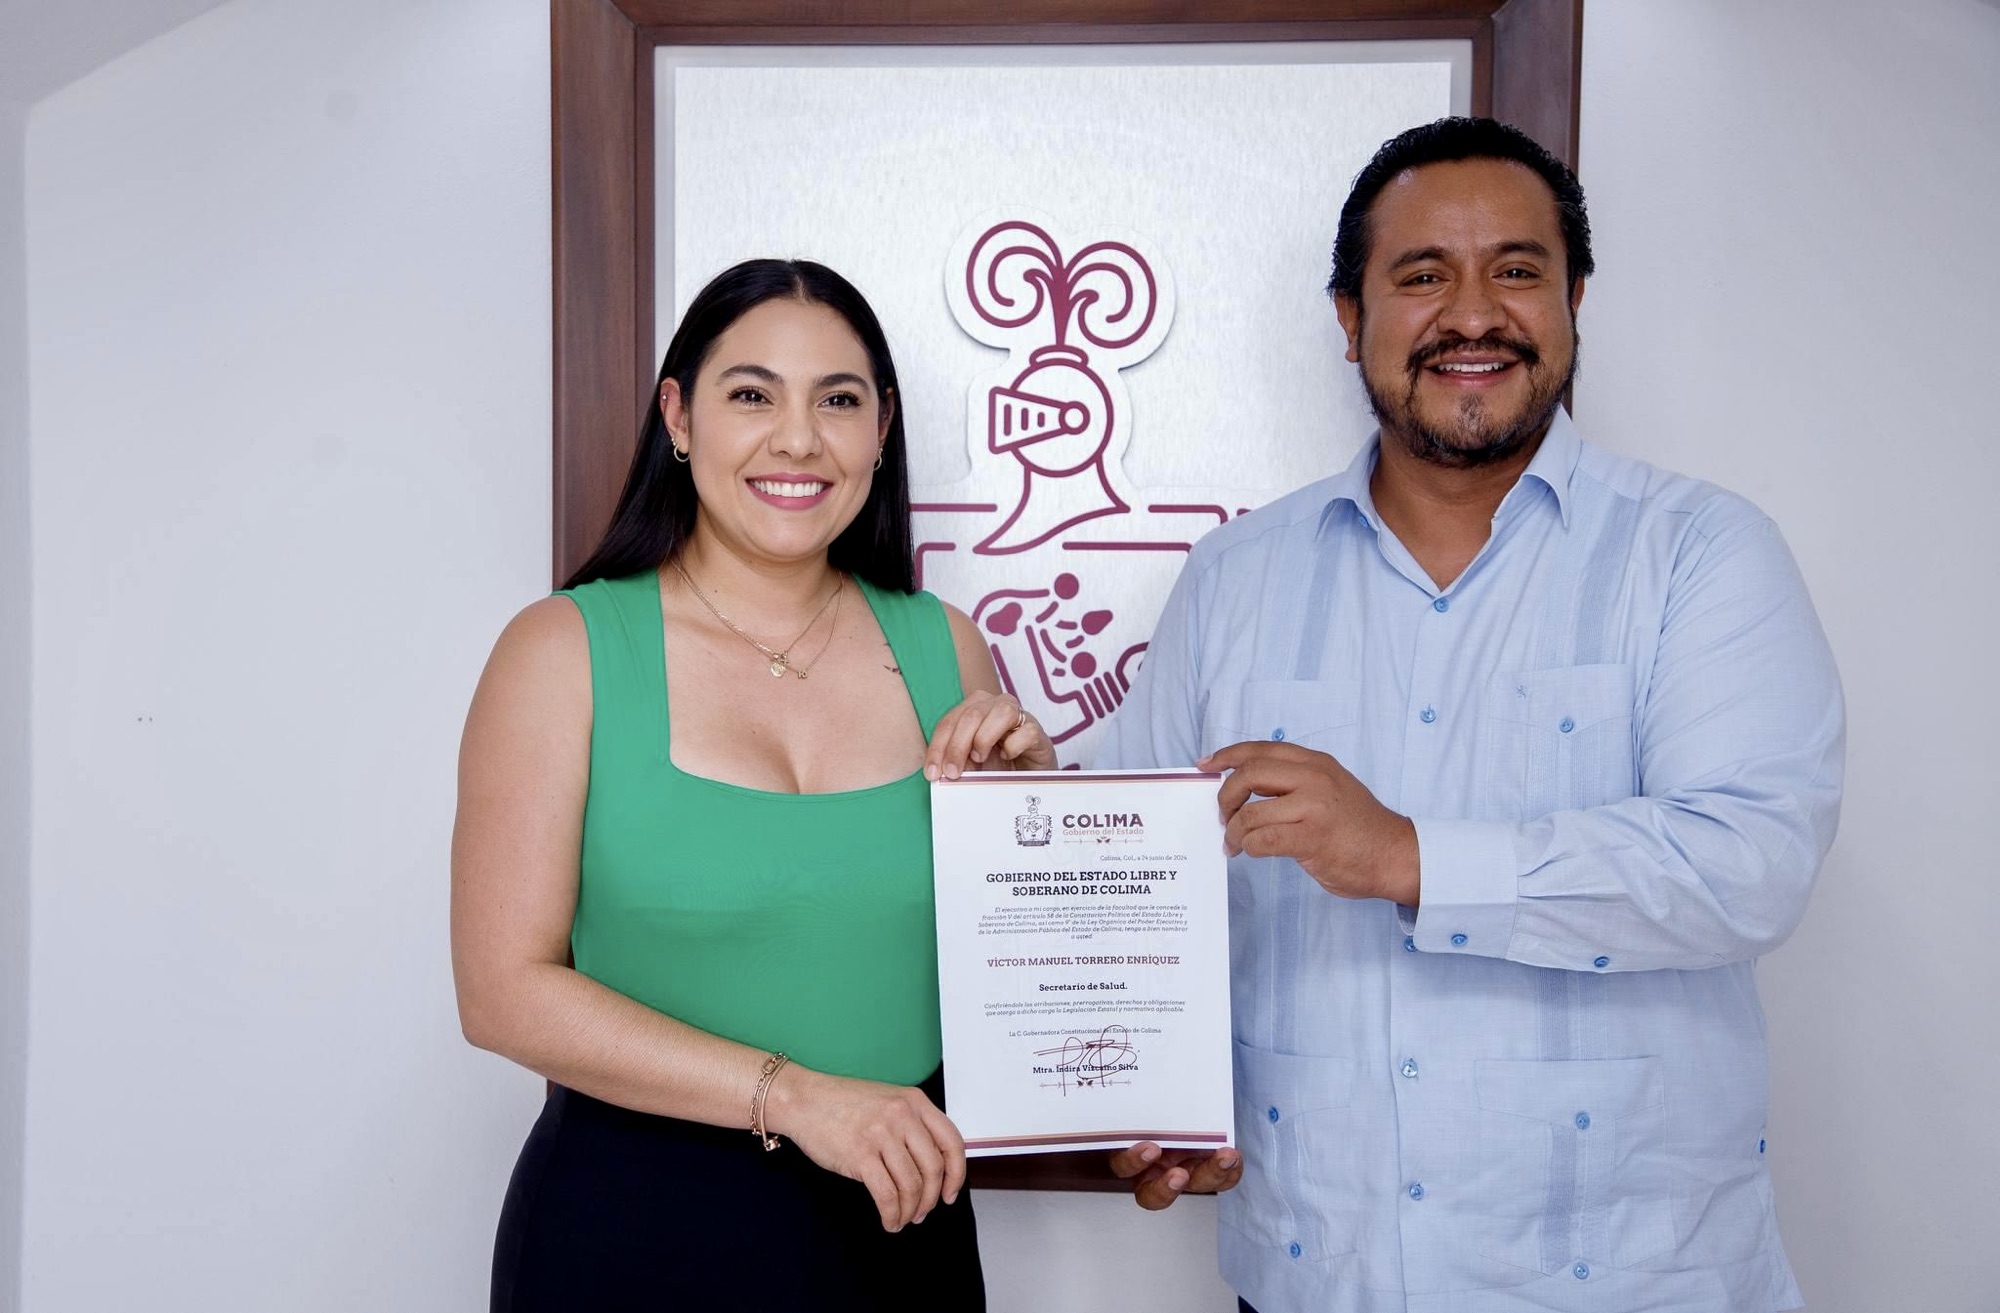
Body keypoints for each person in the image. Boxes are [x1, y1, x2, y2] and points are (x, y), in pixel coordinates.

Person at [1100, 117, 1843, 1312]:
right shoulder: (1234, 578)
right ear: (1348, 317)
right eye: (1421, 276)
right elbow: (1141, 889)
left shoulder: (1697, 553)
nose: (1473, 314)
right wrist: (1155, 1103)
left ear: (1572, 300)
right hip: (1315, 1274)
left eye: (1515, 270)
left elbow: (1745, 863)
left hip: (1629, 1285)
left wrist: (1406, 854)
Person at [451, 258, 1054, 1312]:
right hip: (630, 1237)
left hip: (897, 1239)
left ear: (882, 427)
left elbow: (1012, 974)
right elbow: (501, 991)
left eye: (838, 400)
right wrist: (797, 1097)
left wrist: (1036, 819)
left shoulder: (946, 648)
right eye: (751, 395)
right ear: (678, 418)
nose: (798, 439)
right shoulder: (562, 650)